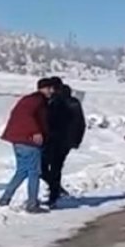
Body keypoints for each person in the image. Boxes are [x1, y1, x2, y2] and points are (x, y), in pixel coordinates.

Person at [0, 77, 56, 212]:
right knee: (34, 172)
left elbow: (18, 114)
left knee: (22, 171)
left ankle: (4, 199)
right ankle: (32, 204)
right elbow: (26, 115)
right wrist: (35, 131)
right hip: (29, 141)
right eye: (50, 88)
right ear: (44, 89)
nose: (51, 91)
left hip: (18, 141)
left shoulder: (28, 99)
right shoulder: (37, 100)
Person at [41, 78, 87, 207]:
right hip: (65, 141)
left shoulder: (54, 102)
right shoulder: (73, 102)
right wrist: (76, 141)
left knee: (43, 167)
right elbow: (81, 124)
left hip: (55, 140)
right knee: (55, 168)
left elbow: (51, 122)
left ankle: (54, 194)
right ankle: (55, 192)